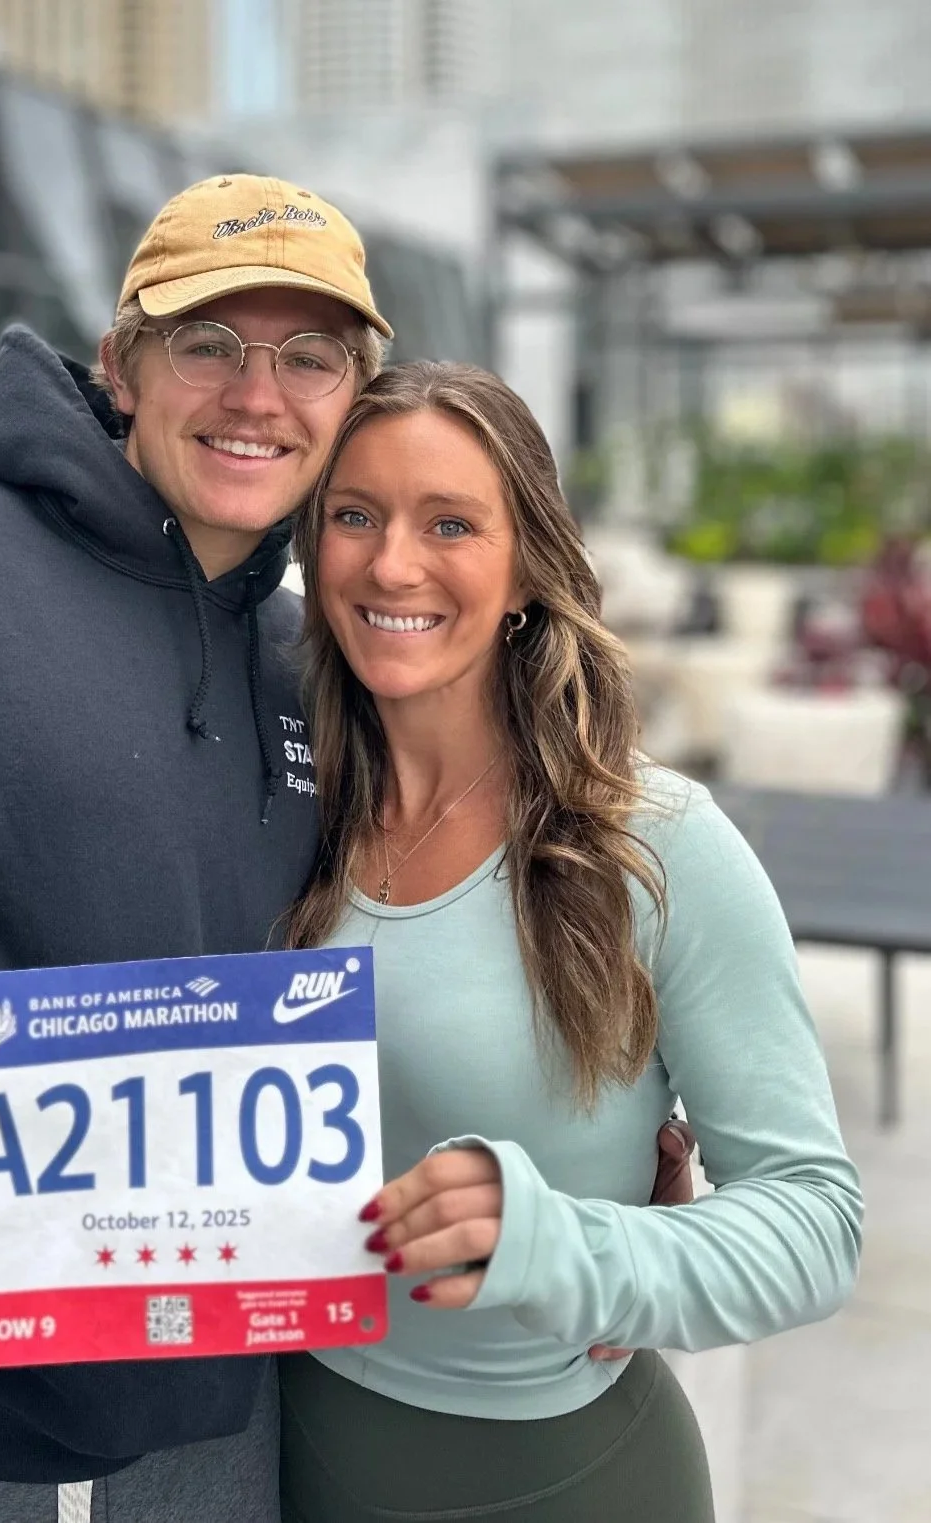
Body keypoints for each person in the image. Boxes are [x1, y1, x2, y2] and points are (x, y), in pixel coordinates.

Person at [0, 174, 690, 1522]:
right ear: (121, 362)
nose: (258, 394)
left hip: (212, 1438)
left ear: (347, 395)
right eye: (209, 342)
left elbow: (427, 922)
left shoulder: (312, 668)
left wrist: (603, 1158)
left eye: (307, 356)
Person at [277, 361, 864, 1523]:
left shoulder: (654, 844)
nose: (393, 562)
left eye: (450, 522)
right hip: (285, 1454)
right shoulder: (284, 804)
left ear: (529, 568)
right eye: (356, 515)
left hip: (560, 1482)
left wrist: (563, 1243)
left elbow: (814, 1221)